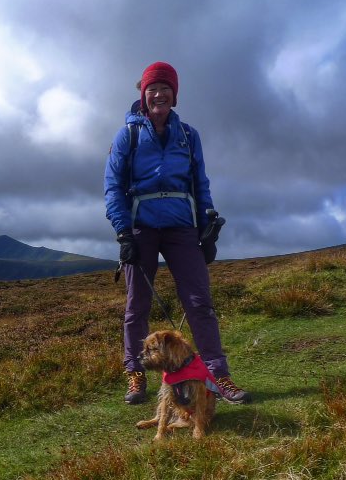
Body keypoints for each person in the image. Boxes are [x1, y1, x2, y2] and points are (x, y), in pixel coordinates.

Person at [104, 61, 250, 405]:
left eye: (166, 89)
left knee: (200, 303)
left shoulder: (189, 135)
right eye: (153, 89)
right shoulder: (128, 135)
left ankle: (218, 377)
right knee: (136, 305)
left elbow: (200, 184)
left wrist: (207, 228)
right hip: (141, 226)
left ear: (174, 95)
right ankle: (136, 375)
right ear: (143, 94)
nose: (159, 94)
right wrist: (124, 233)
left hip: (182, 226)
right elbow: (113, 186)